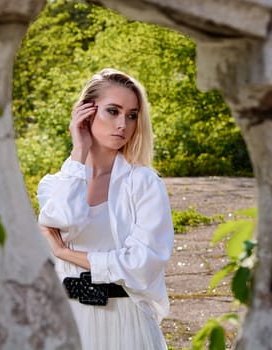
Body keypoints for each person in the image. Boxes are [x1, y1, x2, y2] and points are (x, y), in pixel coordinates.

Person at [37, 68, 174, 349]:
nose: (123, 123)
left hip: (125, 323)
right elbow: (64, 220)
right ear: (86, 113)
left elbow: (143, 262)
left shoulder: (145, 183)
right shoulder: (54, 184)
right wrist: (79, 151)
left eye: (132, 115)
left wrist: (66, 253)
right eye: (113, 111)